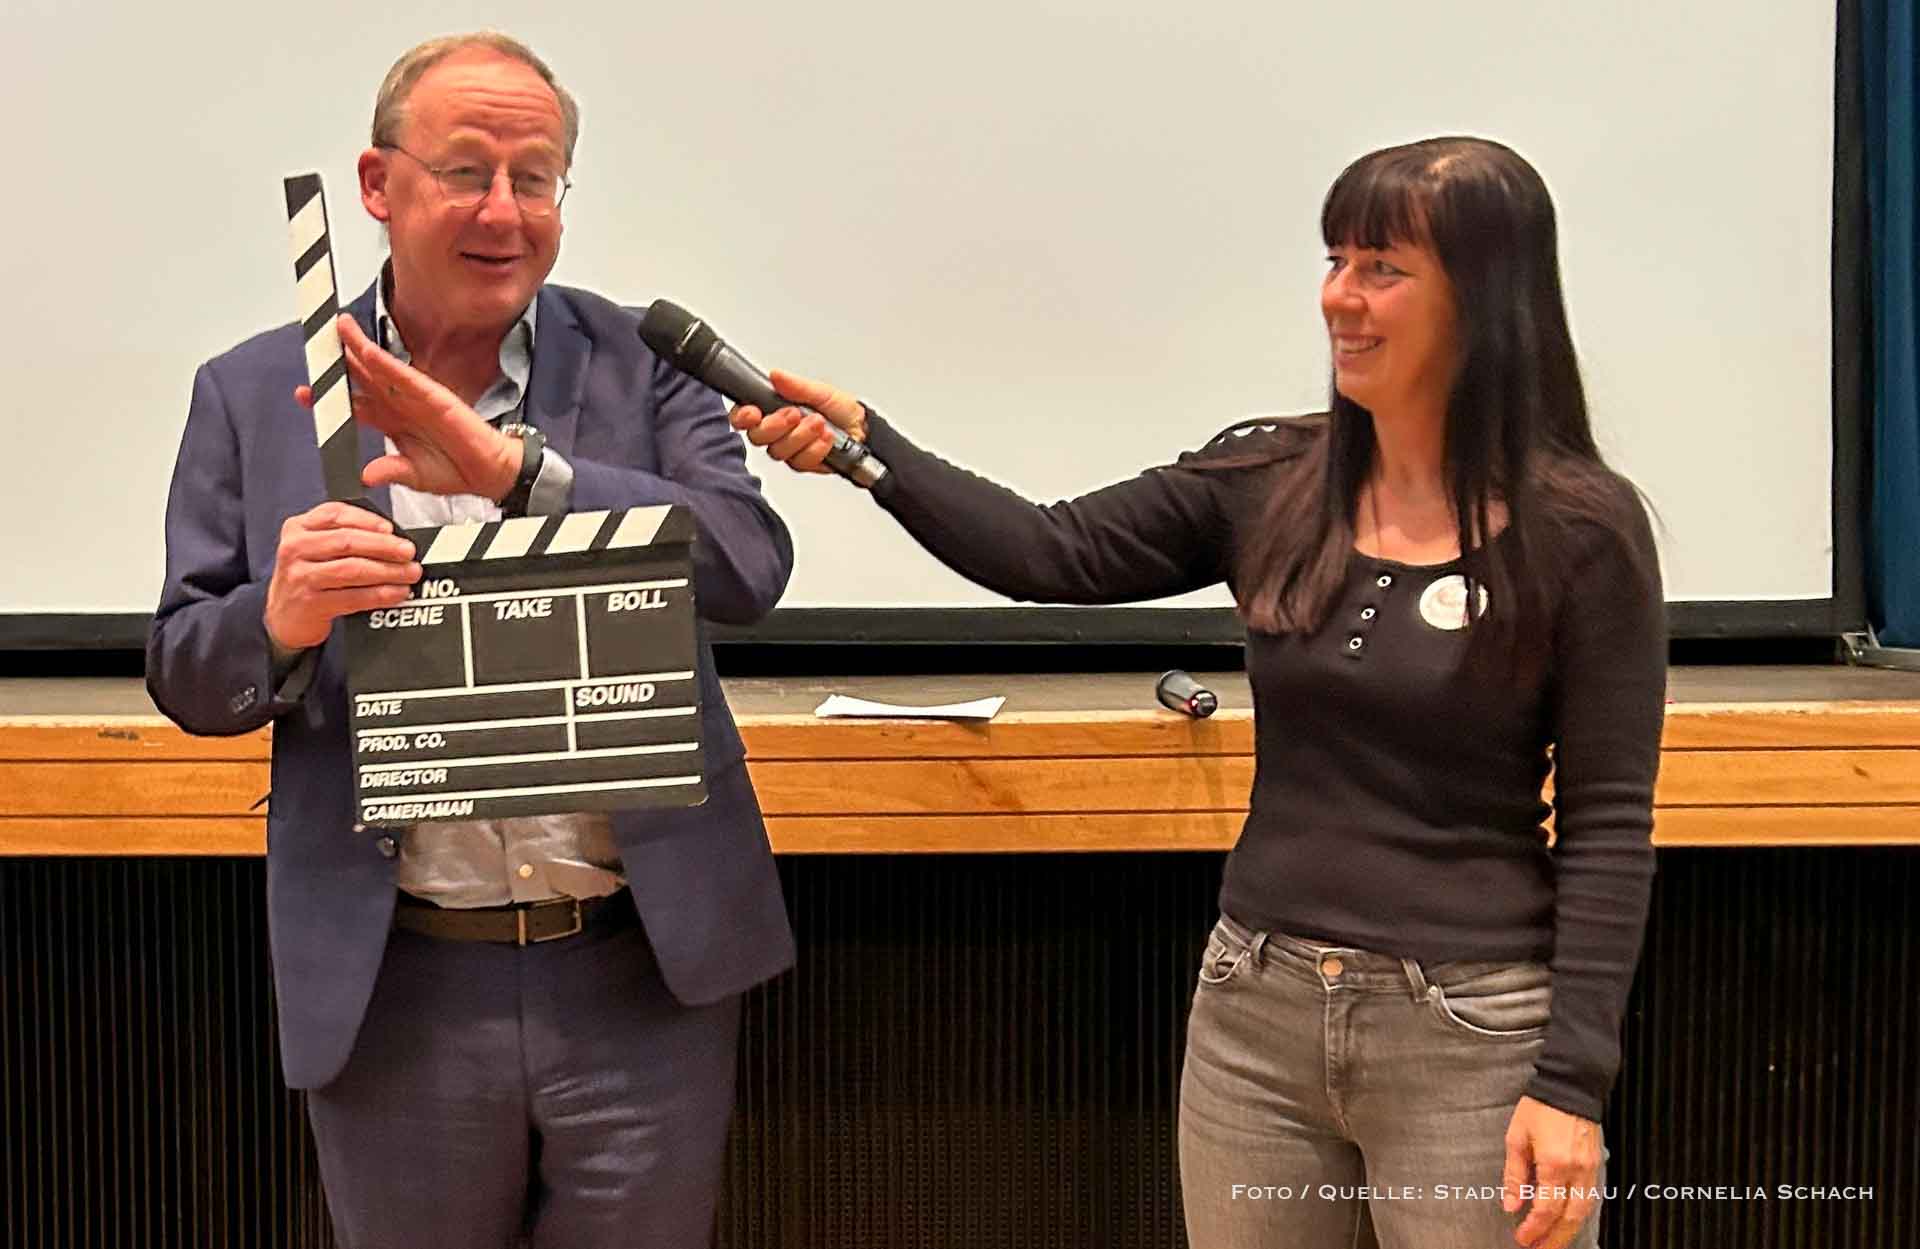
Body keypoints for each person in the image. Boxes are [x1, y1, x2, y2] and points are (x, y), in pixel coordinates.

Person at [730, 137, 1664, 1249]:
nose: (1340, 299)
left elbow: (1609, 822)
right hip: (1253, 1013)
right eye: (1335, 260)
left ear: (1487, 297)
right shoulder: (1271, 478)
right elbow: (1050, 551)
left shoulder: (1582, 532)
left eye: (1382, 268)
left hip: (1470, 1032)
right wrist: (864, 448)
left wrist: (1571, 1085)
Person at [147, 32, 795, 1249]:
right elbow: (187, 665)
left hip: (637, 966)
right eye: (465, 171)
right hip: (398, 981)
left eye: (535, 178)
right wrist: (277, 621)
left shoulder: (642, 363)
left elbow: (748, 563)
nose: (505, 209)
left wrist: (517, 472)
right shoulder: (253, 390)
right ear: (379, 185)